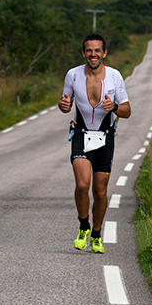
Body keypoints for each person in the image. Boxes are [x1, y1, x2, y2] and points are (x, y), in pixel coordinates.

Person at [58, 33, 131, 253]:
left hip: (105, 137)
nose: (93, 54)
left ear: (104, 53)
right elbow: (65, 104)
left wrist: (114, 108)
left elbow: (127, 110)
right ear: (83, 53)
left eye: (97, 50)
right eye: (89, 50)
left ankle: (97, 234)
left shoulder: (114, 76)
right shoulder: (73, 75)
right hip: (81, 134)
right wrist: (63, 106)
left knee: (99, 191)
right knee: (82, 184)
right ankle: (83, 226)